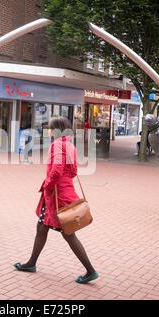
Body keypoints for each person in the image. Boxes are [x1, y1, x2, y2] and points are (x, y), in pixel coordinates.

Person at [14, 117, 98, 284]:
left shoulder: (58, 145)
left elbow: (57, 169)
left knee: (68, 233)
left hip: (56, 195)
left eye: (51, 129)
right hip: (62, 192)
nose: (50, 132)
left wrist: (49, 186)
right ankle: (31, 263)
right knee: (42, 227)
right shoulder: (71, 146)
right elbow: (73, 171)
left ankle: (90, 270)